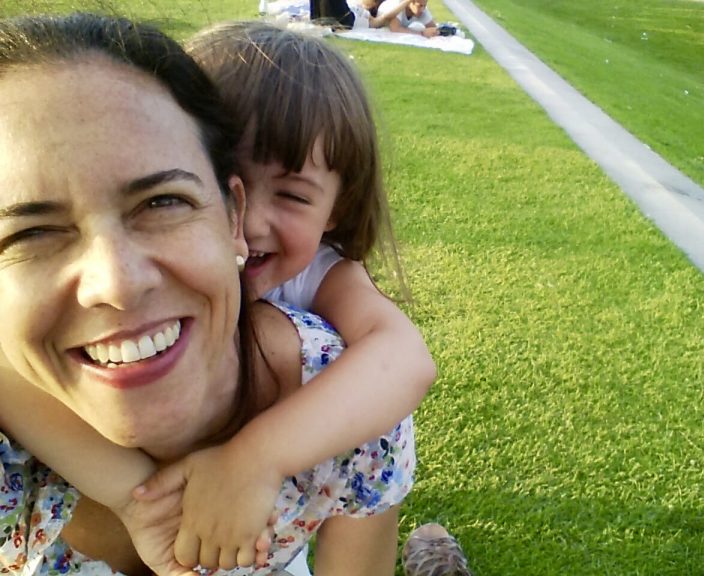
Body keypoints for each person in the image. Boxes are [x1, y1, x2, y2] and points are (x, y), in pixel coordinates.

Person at [0, 12, 416, 576]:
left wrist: (257, 457)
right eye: (32, 233)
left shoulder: (328, 305)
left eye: (164, 201)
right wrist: (133, 494)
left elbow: (401, 358)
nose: (117, 284)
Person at [310, 0, 410, 29]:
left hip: (346, 19)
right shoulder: (358, 6)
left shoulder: (371, 19)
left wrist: (407, 1)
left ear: (374, 4)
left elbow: (386, 17)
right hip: (341, 15)